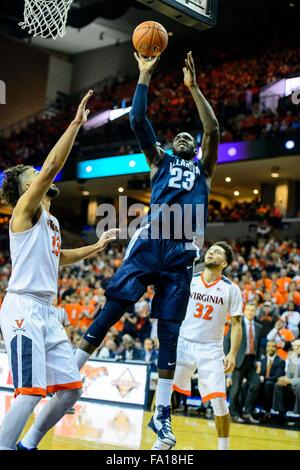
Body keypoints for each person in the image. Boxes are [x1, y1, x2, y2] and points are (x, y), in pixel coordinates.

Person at [74, 50, 220, 449]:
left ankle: (161, 415)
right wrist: (144, 74)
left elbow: (213, 128)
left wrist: (193, 89)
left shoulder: (205, 169)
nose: (186, 137)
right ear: (171, 145)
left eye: (190, 137)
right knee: (114, 307)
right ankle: (71, 370)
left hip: (182, 252)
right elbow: (138, 120)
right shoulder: (160, 160)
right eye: (180, 136)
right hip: (152, 239)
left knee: (169, 333)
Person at [0, 91, 119, 451]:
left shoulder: (48, 222)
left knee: (71, 390)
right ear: (24, 191)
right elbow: (51, 166)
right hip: (22, 308)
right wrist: (75, 124)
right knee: (29, 393)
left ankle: (28, 444)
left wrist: (95, 248)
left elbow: (59, 257)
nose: (38, 176)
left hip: (47, 312)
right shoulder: (25, 211)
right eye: (30, 177)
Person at [163, 242, 242, 451]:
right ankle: (162, 439)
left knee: (219, 402)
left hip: (211, 349)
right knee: (164, 391)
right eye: (211, 250)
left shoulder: (231, 289)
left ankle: (223, 448)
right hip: (183, 343)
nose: (211, 252)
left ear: (224, 263)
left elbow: (236, 324)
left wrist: (232, 353)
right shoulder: (190, 280)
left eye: (218, 252)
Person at [225, 303, 263, 424]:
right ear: (244, 311)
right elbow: (226, 339)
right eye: (249, 310)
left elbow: (258, 345)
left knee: (256, 383)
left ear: (255, 312)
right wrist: (229, 356)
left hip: (251, 361)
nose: (251, 312)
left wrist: (258, 361)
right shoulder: (238, 324)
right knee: (235, 390)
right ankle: (234, 414)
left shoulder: (258, 327)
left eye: (253, 310)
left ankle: (247, 411)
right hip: (238, 360)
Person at [272, 339, 300, 420]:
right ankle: (280, 411)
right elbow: (289, 374)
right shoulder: (292, 358)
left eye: (297, 346)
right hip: (292, 383)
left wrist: (290, 381)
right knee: (278, 384)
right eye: (294, 346)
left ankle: (297, 412)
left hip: (297, 384)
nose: (295, 348)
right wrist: (284, 379)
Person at [258, 341, 285, 415]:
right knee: (250, 384)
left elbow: (277, 377)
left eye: (272, 346)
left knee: (268, 384)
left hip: (273, 383)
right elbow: (258, 373)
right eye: (268, 346)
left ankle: (267, 411)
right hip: (262, 381)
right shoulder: (262, 360)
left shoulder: (281, 361)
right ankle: (248, 410)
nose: (270, 348)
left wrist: (263, 379)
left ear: (276, 348)